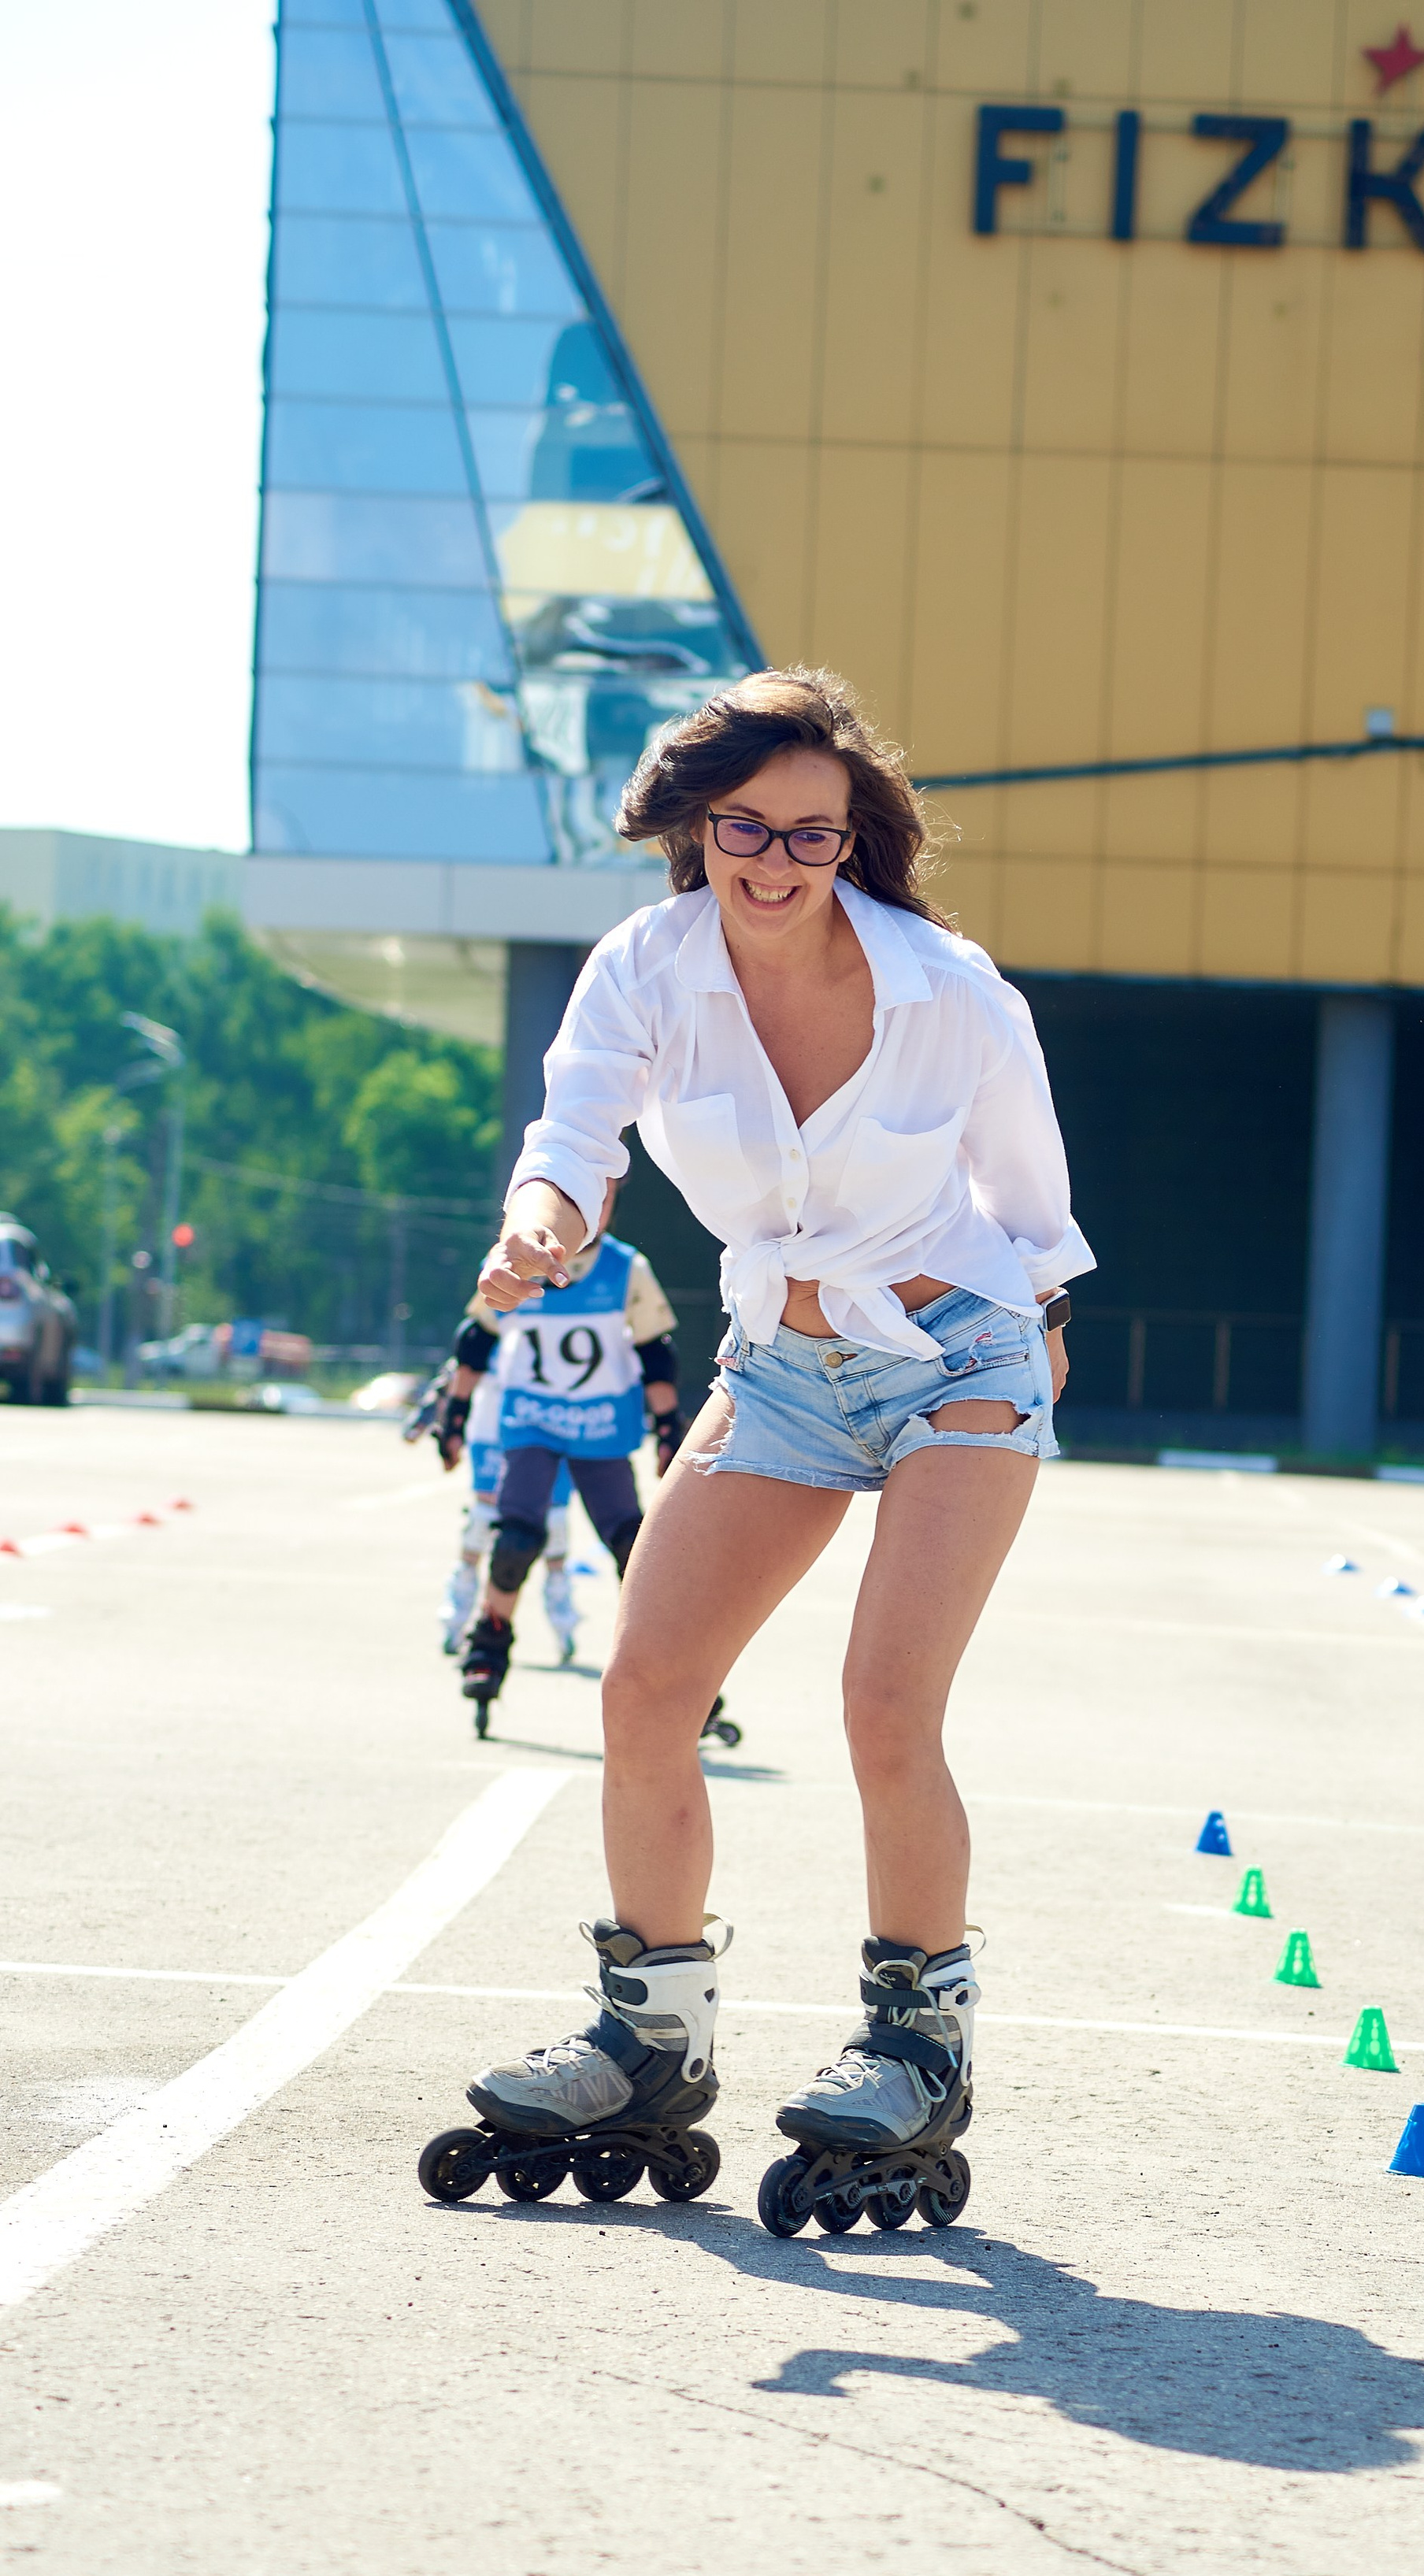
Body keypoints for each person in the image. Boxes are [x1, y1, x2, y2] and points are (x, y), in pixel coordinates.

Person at [447, 665, 1090, 2235]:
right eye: (745, 826)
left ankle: (915, 2048)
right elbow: (573, 1142)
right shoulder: (644, 971)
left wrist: (1048, 1319)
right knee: (644, 1686)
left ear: (850, 837)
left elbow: (1028, 1193)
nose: (775, 861)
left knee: (884, 1700)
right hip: (784, 1370)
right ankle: (649, 2036)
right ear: (696, 824)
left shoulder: (948, 987)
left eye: (812, 833)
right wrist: (537, 1231)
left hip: (957, 1357)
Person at [436, 1211, 686, 1723]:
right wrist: (455, 1413)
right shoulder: (512, 1260)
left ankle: (675, 1672)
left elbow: (654, 1350)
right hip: (533, 1420)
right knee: (515, 1539)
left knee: (632, 1547)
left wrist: (668, 1426)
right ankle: (488, 1646)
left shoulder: (625, 1267)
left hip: (600, 1424)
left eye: (606, 1194)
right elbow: (477, 1338)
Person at [436, 1356, 582, 1663]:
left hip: (549, 1419)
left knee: (553, 1520)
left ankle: (564, 1622)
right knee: (483, 1518)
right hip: (491, 1420)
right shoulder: (491, 1311)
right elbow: (465, 1357)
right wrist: (447, 1414)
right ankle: (456, 1619)